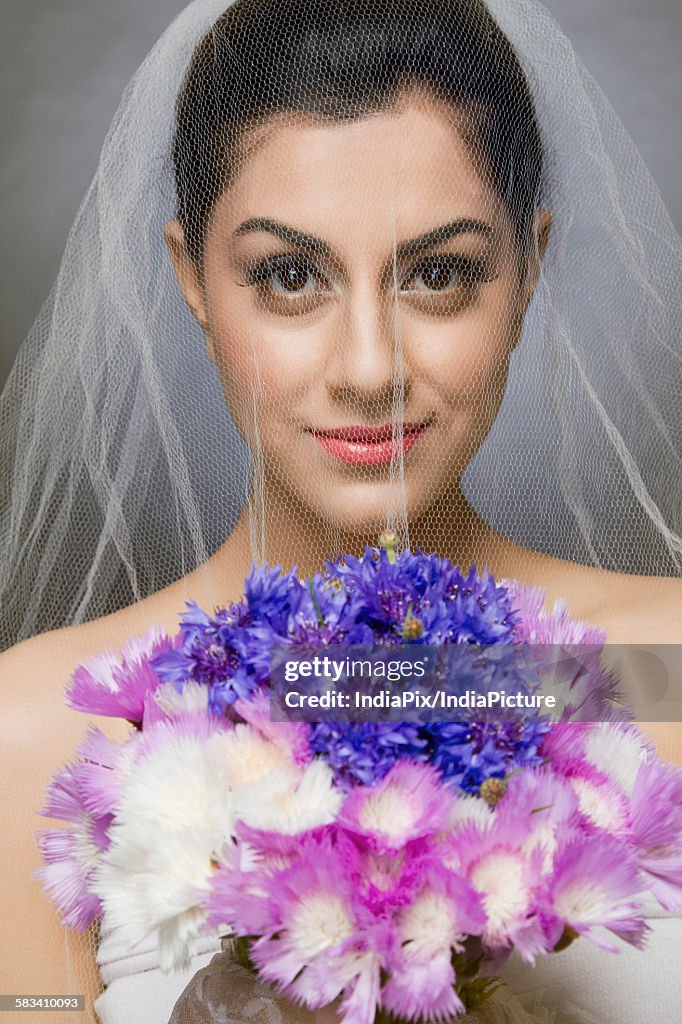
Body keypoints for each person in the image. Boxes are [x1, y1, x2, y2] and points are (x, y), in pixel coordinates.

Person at [0, 0, 680, 1021]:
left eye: (438, 274)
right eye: (288, 276)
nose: (370, 369)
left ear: (529, 266)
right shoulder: (38, 731)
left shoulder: (655, 670)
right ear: (192, 276)